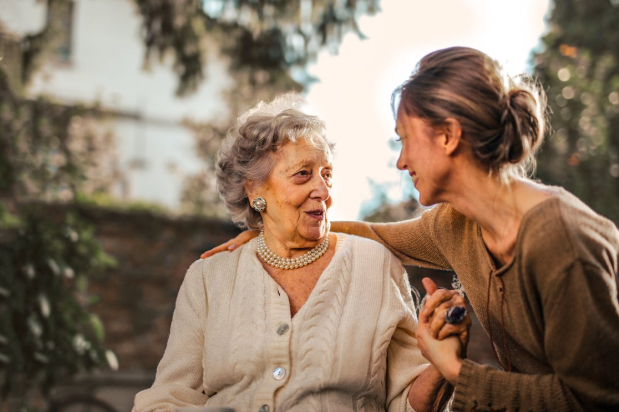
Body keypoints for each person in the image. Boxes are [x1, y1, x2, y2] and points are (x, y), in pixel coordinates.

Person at [201, 47, 619, 412]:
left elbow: (595, 399)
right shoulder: (456, 224)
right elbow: (376, 235)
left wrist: (454, 368)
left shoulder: (561, 241)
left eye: (404, 139)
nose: (401, 162)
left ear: (449, 136)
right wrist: (273, 231)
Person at [133, 94, 464, 412]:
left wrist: (441, 363)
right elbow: (169, 398)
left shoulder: (375, 265)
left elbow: (409, 403)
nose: (323, 191)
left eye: (327, 175)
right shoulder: (208, 278)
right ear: (255, 190)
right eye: (303, 174)